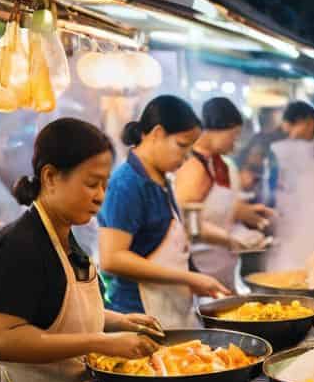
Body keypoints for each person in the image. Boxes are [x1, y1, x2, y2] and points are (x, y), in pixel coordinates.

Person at [0, 118, 162, 382]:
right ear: (50, 177)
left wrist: (120, 322)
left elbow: (59, 314)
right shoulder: (17, 245)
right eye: (91, 183)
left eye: (105, 185)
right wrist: (103, 342)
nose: (100, 195)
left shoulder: (67, 239)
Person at [98, 95, 229, 329]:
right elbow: (112, 258)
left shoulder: (160, 179)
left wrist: (196, 277)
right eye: (182, 145)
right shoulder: (126, 184)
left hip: (169, 311)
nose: (187, 156)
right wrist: (188, 278)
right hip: (137, 317)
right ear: (157, 133)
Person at [173, 97, 273, 249]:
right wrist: (230, 240)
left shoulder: (218, 164)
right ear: (217, 129)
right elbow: (187, 224)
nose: (234, 144)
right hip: (201, 262)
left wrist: (244, 212)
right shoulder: (193, 167)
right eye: (234, 136)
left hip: (222, 261)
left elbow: (214, 210)